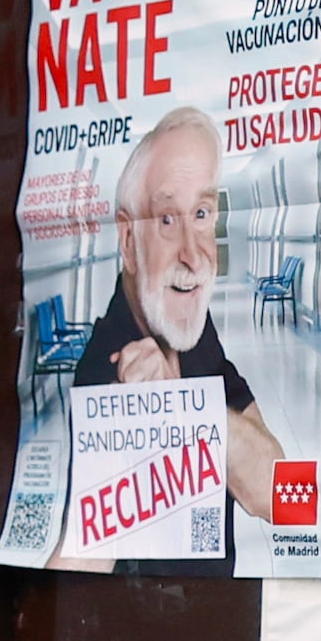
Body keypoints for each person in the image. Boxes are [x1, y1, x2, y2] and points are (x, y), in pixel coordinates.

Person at [64, 105, 297, 549]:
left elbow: (283, 499)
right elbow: (83, 570)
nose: (194, 255)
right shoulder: (105, 369)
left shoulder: (185, 326)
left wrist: (186, 407)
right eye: (168, 220)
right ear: (129, 241)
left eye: (203, 215)